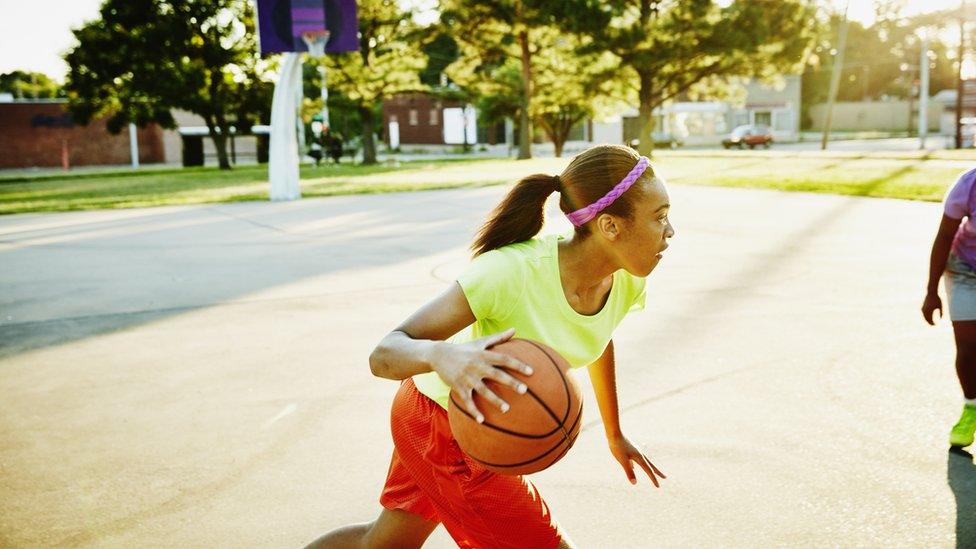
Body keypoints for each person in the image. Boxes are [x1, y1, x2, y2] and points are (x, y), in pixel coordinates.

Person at [306, 144, 673, 548]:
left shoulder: (626, 278)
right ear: (609, 226)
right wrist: (439, 354)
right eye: (660, 218)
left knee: (384, 546)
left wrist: (614, 431)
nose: (670, 231)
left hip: (466, 421)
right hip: (444, 424)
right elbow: (385, 354)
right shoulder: (511, 273)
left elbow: (597, 338)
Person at [923, 167, 976, 448]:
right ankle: (971, 407)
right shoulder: (969, 184)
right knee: (968, 346)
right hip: (966, 271)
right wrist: (931, 291)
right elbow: (944, 236)